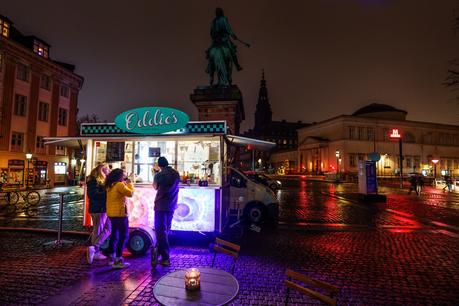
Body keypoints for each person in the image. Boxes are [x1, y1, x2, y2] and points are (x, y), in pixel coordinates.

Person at [153, 157, 180, 266]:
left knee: (160, 231)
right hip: (172, 205)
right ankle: (160, 252)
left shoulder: (159, 175)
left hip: (161, 205)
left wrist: (155, 175)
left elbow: (155, 187)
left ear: (159, 165)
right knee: (166, 230)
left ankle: (165, 257)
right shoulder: (175, 173)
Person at [106, 168, 134, 269]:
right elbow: (130, 193)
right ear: (120, 176)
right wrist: (130, 183)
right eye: (124, 175)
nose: (125, 176)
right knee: (124, 236)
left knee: (115, 235)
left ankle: (111, 256)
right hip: (120, 214)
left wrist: (125, 184)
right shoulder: (119, 185)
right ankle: (118, 259)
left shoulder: (110, 185)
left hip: (112, 214)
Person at [86, 164, 111, 264]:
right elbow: (93, 194)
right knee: (98, 229)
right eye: (106, 169)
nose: (108, 171)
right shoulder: (93, 180)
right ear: (101, 170)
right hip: (98, 209)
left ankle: (94, 247)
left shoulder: (102, 181)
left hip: (102, 208)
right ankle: (95, 251)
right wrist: (107, 193)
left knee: (108, 229)